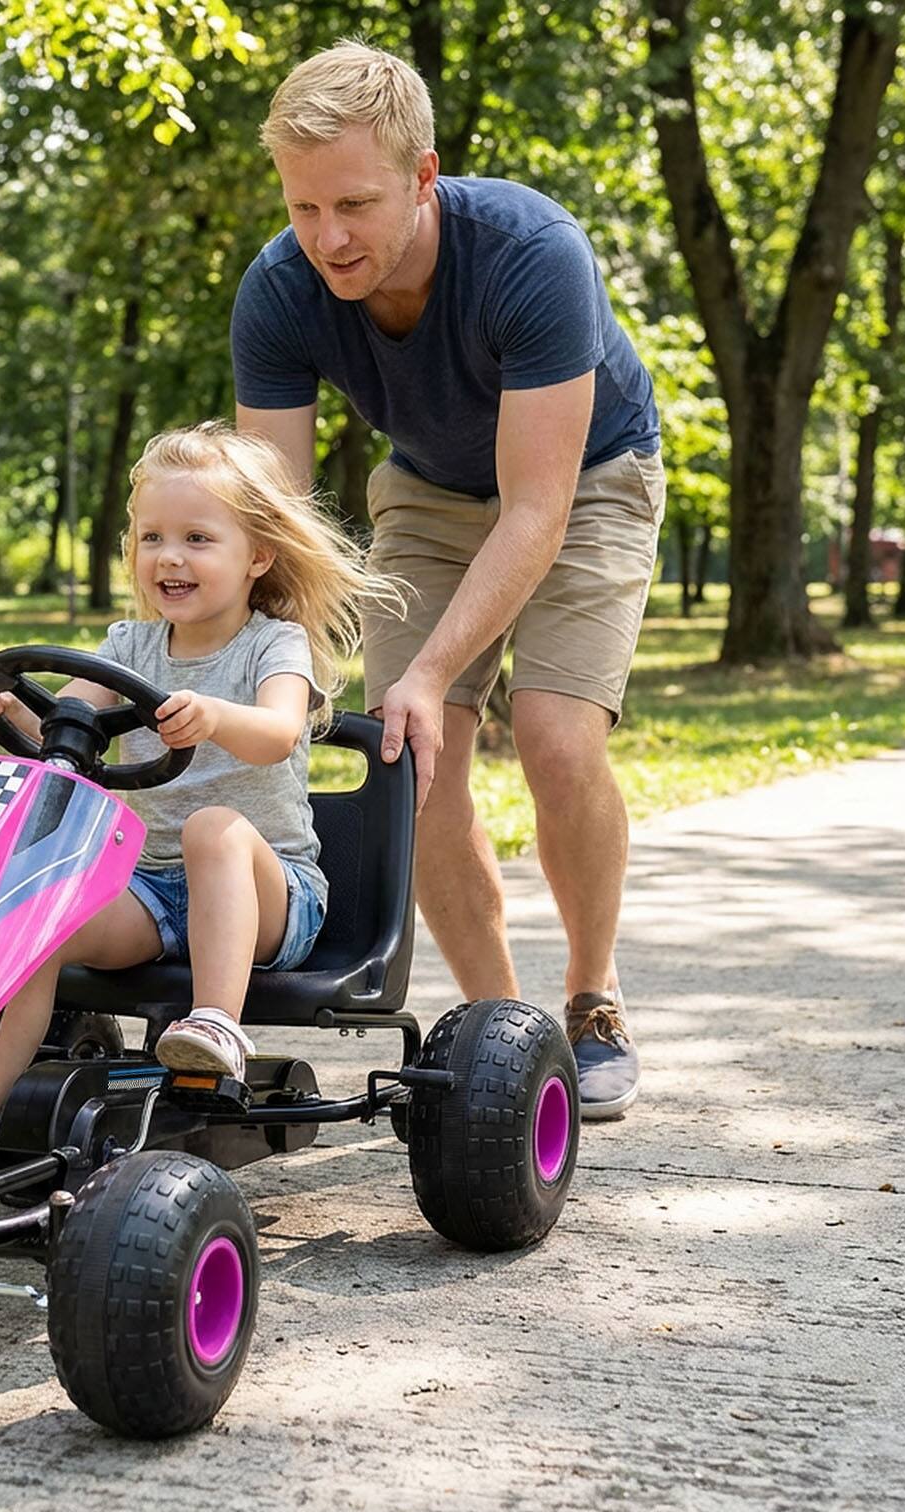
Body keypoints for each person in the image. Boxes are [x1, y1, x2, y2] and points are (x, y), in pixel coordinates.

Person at [231, 43, 666, 1119]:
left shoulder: (529, 252)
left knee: (560, 739)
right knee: (409, 757)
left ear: (423, 178)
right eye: (302, 208)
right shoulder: (280, 292)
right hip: (427, 492)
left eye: (356, 205)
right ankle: (506, 1048)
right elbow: (272, 520)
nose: (328, 238)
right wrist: (266, 674)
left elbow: (536, 509)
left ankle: (591, 997)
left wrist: (428, 670)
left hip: (586, 478)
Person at [0, 422, 404, 1153]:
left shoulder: (272, 643)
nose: (169, 557)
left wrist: (217, 715)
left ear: (257, 554)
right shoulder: (127, 647)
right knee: (39, 919)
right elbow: (62, 731)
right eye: (152, 537)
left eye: (197, 538)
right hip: (153, 890)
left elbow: (282, 730)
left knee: (212, 827)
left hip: (273, 896)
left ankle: (216, 1027)